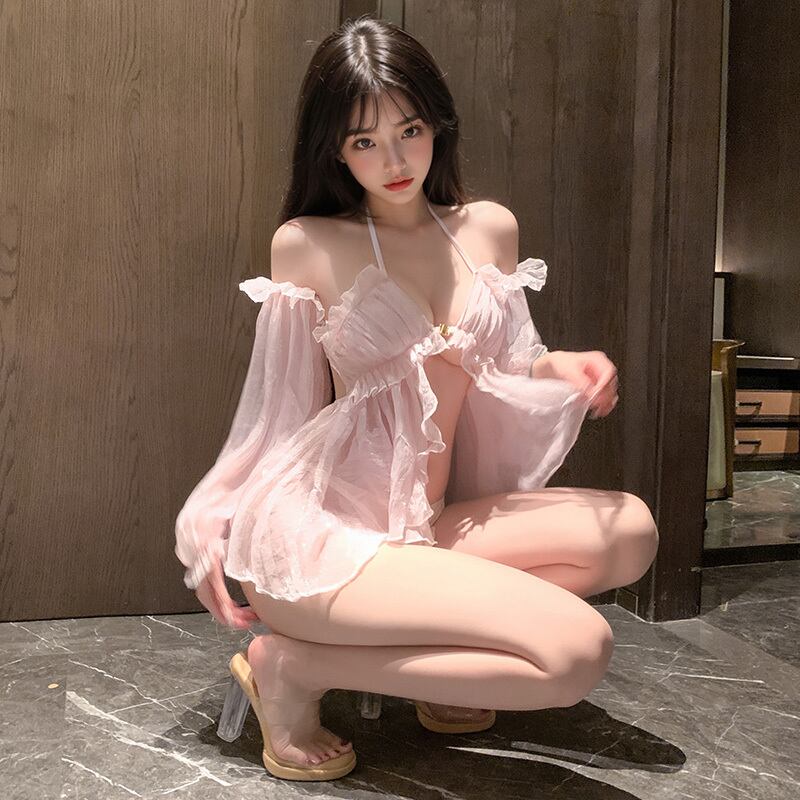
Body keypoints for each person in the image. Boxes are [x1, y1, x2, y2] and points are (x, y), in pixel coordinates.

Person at [174, 16, 659, 783]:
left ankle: (442, 660)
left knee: (630, 532)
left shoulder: (487, 229)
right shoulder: (309, 242)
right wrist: (211, 514)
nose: (394, 161)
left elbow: (510, 360)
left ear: (438, 124)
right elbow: (277, 411)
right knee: (575, 653)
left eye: (410, 131)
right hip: (327, 541)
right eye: (364, 141)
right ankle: (295, 666)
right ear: (335, 148)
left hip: (425, 524)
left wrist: (562, 366)